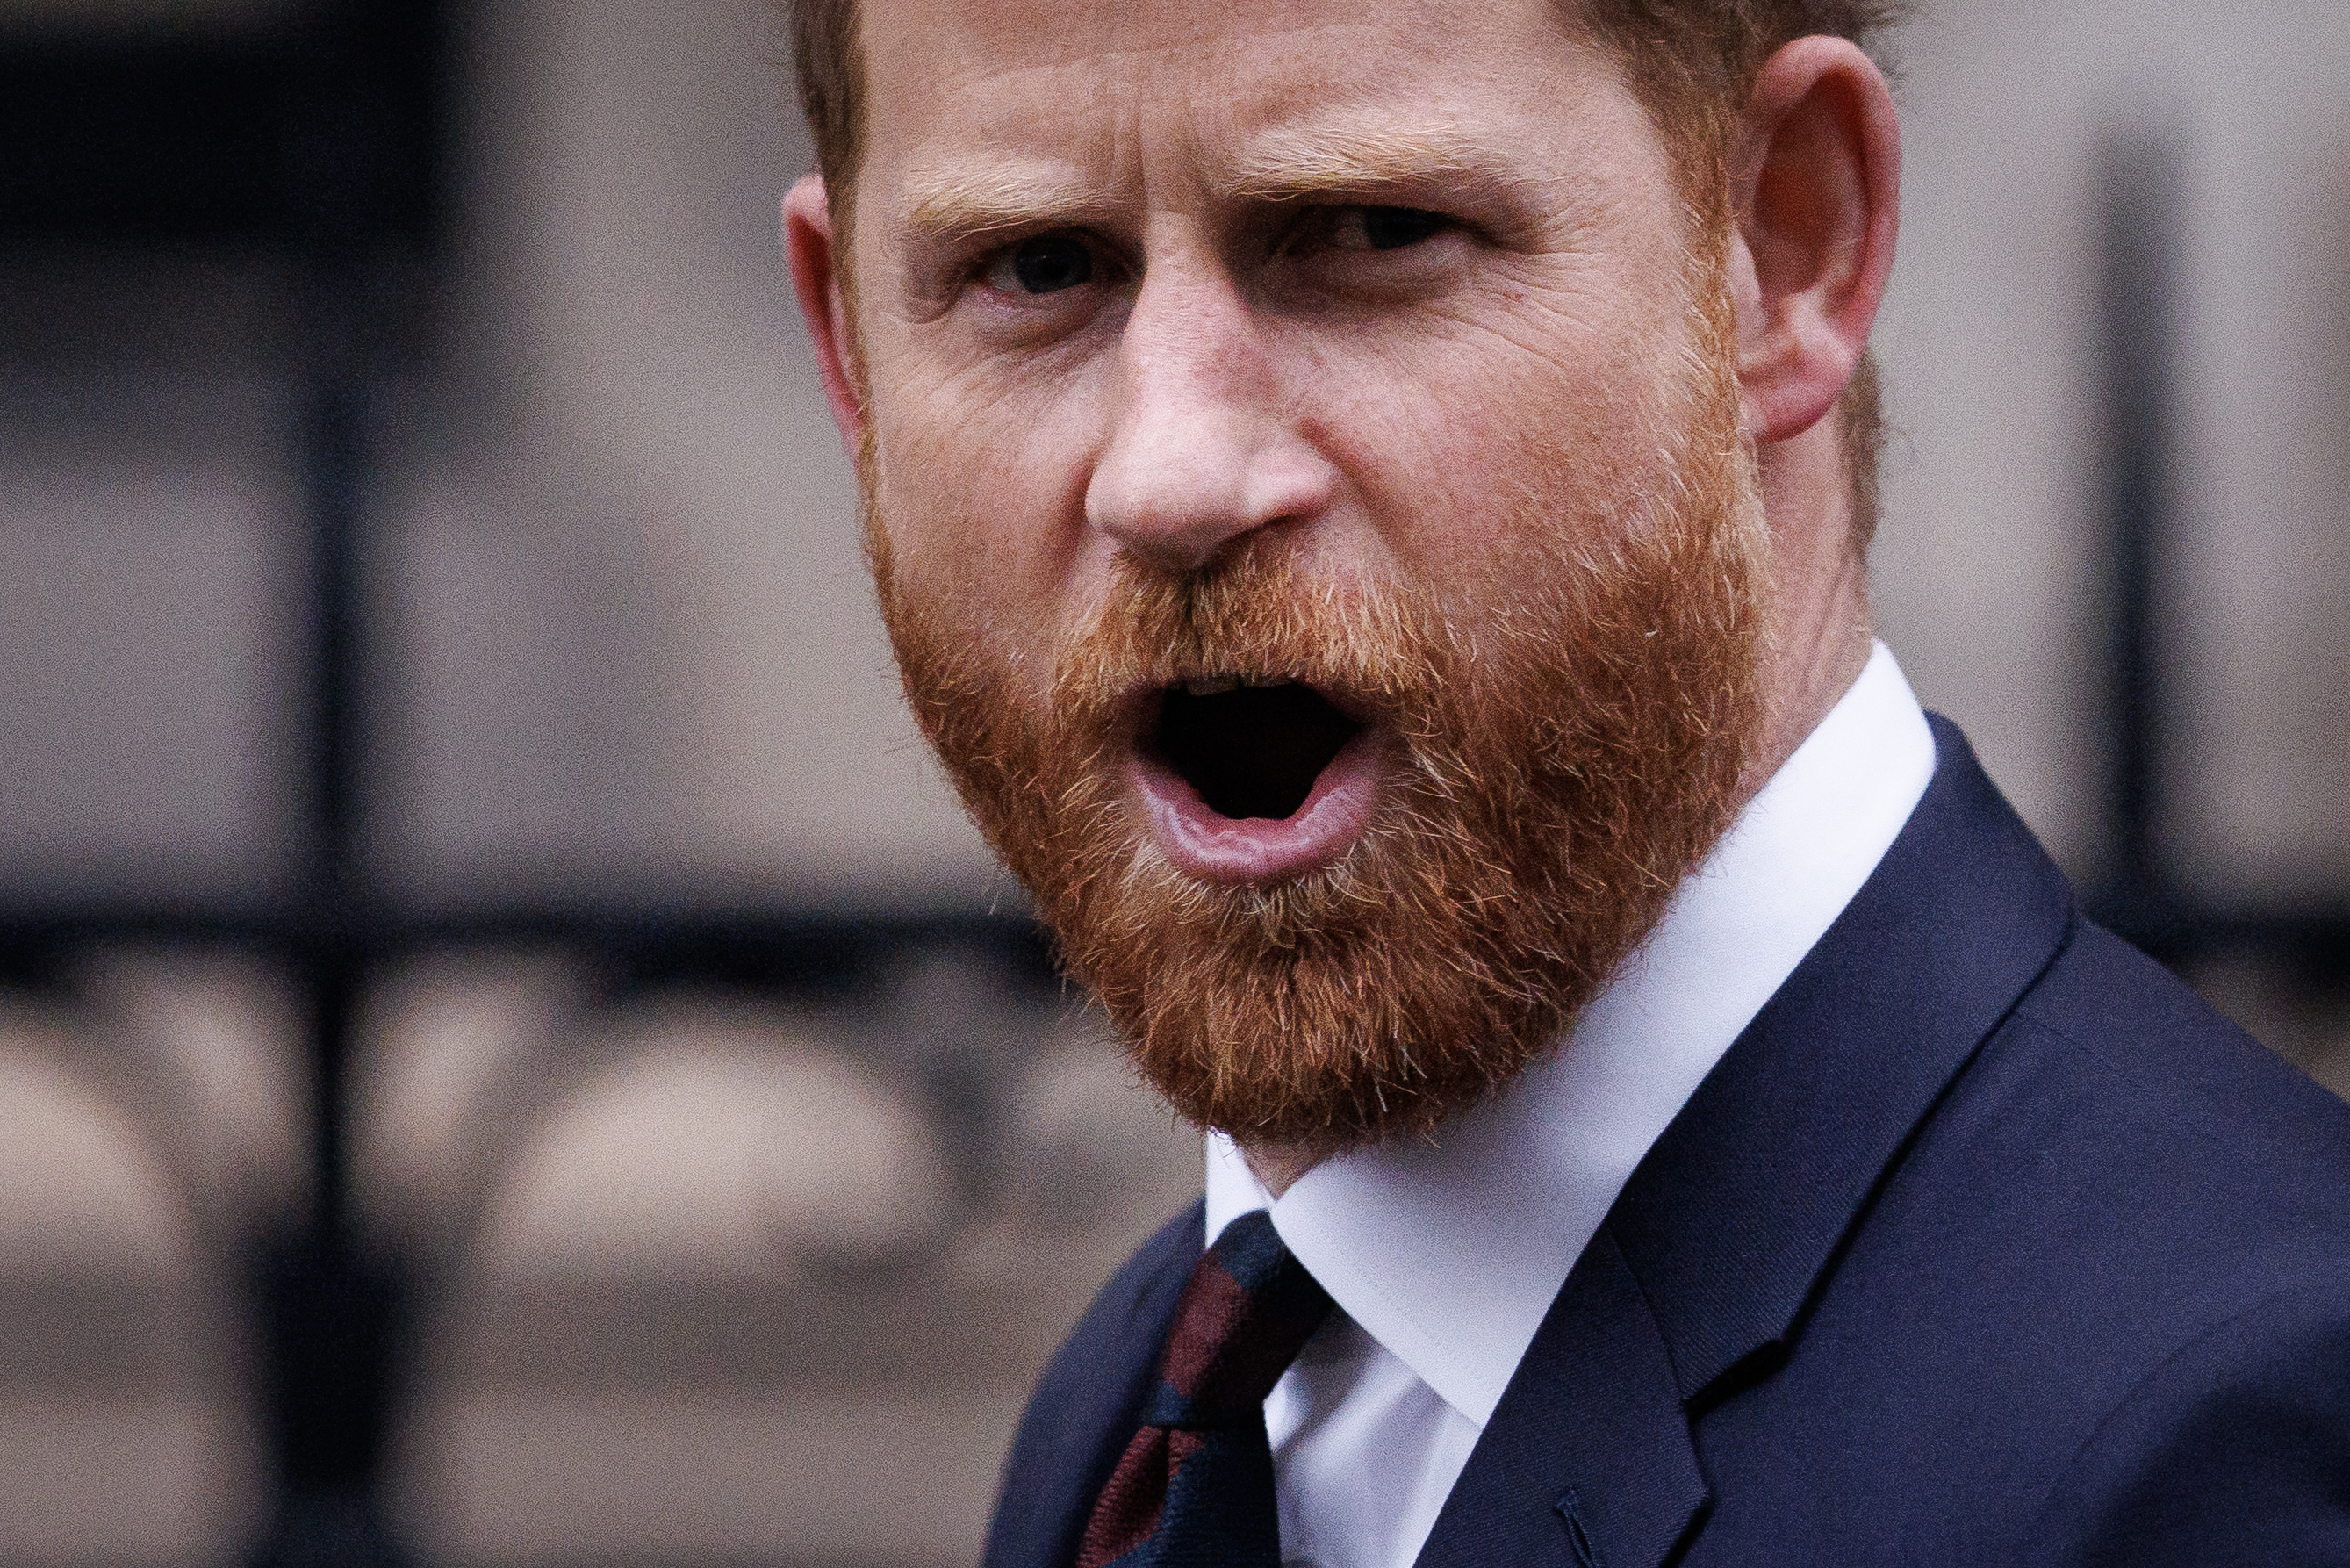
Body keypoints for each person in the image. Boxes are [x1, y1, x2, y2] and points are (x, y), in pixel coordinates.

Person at [778, 0, 2350, 1563]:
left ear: (1782, 242)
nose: (1170, 474)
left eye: (1373, 231)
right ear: (847, 345)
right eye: (1035, 269)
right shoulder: (1136, 1419)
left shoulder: (2228, 1429)